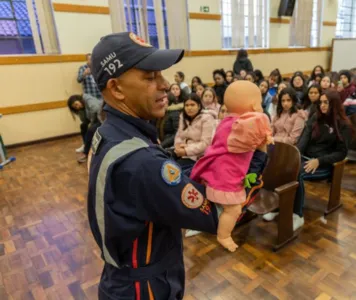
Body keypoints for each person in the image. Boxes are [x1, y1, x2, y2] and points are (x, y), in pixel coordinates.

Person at [87, 32, 222, 300]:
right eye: (150, 77)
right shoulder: (143, 162)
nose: (165, 84)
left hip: (122, 277)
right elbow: (210, 214)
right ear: (116, 88)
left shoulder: (110, 132)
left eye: (161, 74)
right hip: (146, 288)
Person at [190, 81, 273, 252]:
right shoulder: (239, 126)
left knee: (223, 206)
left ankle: (211, 223)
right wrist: (265, 134)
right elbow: (260, 124)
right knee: (234, 209)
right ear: (253, 104)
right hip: (227, 177)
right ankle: (224, 236)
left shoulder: (227, 121)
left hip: (218, 171)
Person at [264, 90, 351, 229]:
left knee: (297, 173)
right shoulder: (315, 117)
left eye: (326, 102)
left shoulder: (343, 125)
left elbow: (342, 152)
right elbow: (303, 141)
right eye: (321, 102)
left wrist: (319, 161)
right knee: (284, 168)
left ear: (334, 104)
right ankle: (278, 207)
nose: (322, 105)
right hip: (306, 158)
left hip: (324, 164)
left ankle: (297, 214)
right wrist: (294, 158)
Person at [174, 93, 216, 170]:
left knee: (175, 170)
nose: (189, 108)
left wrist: (186, 150)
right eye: (186, 105)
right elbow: (179, 135)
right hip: (182, 152)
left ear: (199, 106)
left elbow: (206, 143)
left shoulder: (207, 118)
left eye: (192, 105)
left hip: (197, 156)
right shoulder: (183, 116)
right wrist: (178, 146)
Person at [67, 94, 103, 162]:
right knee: (83, 126)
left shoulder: (87, 98)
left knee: (90, 130)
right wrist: (81, 111)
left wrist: (91, 123)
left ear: (78, 99)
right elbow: (84, 120)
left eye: (76, 104)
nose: (77, 107)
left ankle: (86, 153)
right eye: (75, 107)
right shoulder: (81, 107)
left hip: (102, 118)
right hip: (95, 119)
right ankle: (86, 145)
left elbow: (95, 108)